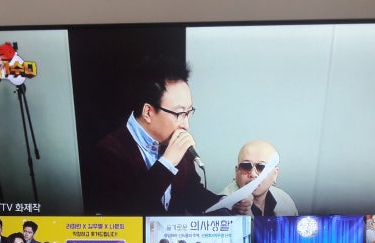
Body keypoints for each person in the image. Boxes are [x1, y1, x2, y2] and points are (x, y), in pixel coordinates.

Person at [86, 54, 251, 216]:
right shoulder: (109, 151)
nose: (185, 125)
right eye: (179, 113)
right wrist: (167, 163)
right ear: (148, 112)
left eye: (189, 112)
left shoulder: (174, 140)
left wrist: (228, 203)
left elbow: (193, 194)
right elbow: (127, 211)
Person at [220, 139, 298, 216]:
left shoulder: (285, 201)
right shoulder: (222, 208)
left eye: (261, 167)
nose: (253, 174)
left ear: (275, 174)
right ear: (237, 171)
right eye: (245, 166)